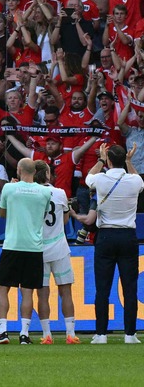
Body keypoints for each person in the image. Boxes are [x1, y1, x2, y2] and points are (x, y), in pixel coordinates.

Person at [0, 158, 53, 345]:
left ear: (19, 170)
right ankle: (24, 334)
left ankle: (3, 332)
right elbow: (43, 214)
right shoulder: (45, 192)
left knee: (2, 288)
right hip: (34, 247)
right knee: (28, 291)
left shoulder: (9, 188)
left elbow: (2, 213)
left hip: (12, 245)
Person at [83, 144, 142, 344]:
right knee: (130, 287)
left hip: (106, 236)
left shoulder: (100, 178)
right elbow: (140, 182)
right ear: (123, 159)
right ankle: (130, 334)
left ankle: (101, 334)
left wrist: (100, 160)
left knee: (103, 287)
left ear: (108, 161)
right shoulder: (133, 180)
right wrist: (129, 161)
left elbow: (88, 178)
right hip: (127, 236)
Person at [30, 160, 79, 345]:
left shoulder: (31, 195)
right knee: (65, 291)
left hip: (38, 249)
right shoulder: (60, 193)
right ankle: (70, 333)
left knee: (42, 293)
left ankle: (47, 334)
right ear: (48, 175)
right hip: (59, 247)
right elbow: (66, 220)